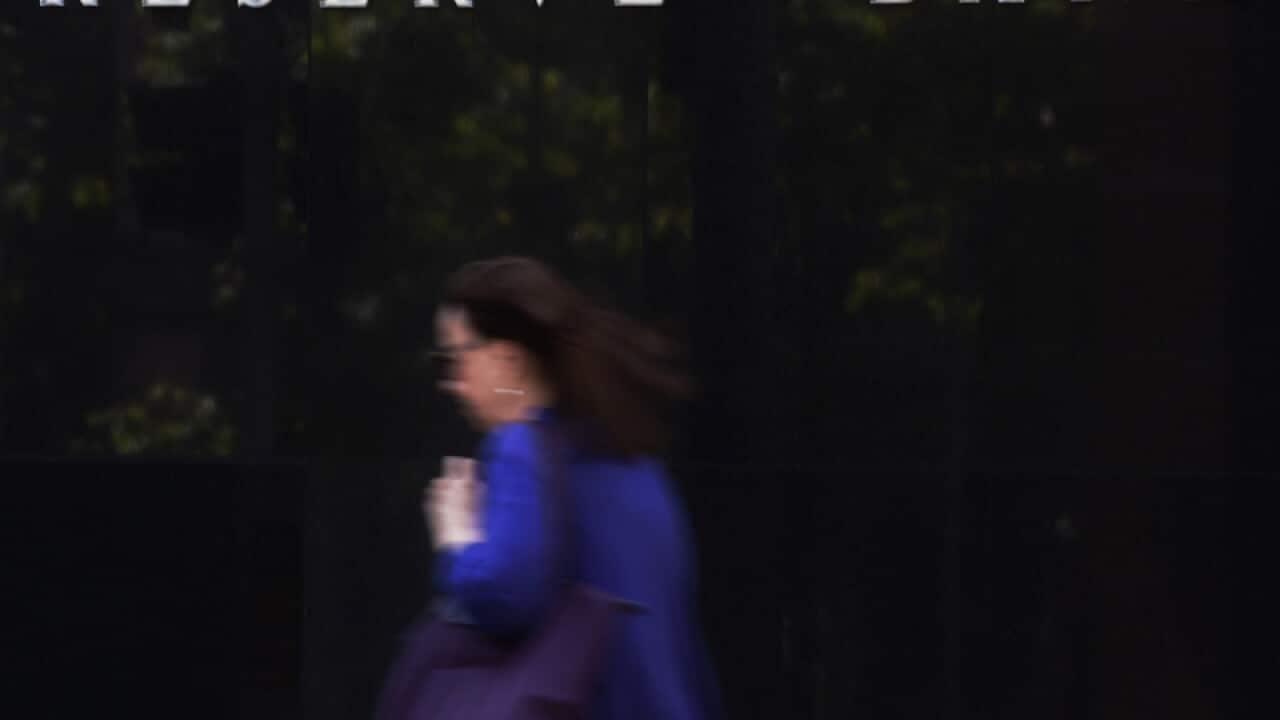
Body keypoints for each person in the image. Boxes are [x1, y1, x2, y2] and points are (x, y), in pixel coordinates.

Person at [424, 256, 723, 720]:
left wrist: (455, 537)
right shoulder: (633, 457)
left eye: (453, 359)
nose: (450, 383)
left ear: (507, 362)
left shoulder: (519, 446)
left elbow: (504, 594)